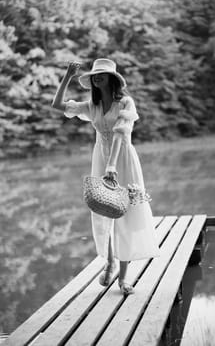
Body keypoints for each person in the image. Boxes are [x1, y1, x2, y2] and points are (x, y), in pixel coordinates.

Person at [52, 58, 160, 295]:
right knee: (105, 212)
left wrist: (112, 167)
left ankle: (123, 279)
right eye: (93, 75)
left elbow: (122, 134)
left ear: (112, 79)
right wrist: (68, 76)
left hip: (123, 161)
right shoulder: (92, 105)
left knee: (126, 214)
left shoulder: (126, 102)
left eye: (101, 74)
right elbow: (57, 105)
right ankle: (110, 262)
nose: (96, 77)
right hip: (101, 159)